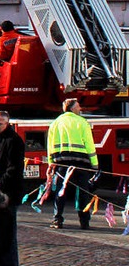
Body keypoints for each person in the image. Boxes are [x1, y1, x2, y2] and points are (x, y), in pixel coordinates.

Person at [47, 97, 98, 230]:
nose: (80, 108)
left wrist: (50, 162)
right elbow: (89, 144)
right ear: (72, 108)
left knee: (60, 191)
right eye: (78, 106)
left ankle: (57, 219)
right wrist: (95, 164)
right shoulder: (82, 122)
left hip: (62, 163)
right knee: (82, 192)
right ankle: (84, 222)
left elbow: (50, 145)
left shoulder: (55, 123)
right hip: (81, 163)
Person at [0, 111, 25, 266]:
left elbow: (13, 169)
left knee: (8, 233)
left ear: (7, 123)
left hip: (8, 193)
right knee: (1, 233)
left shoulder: (13, 141)